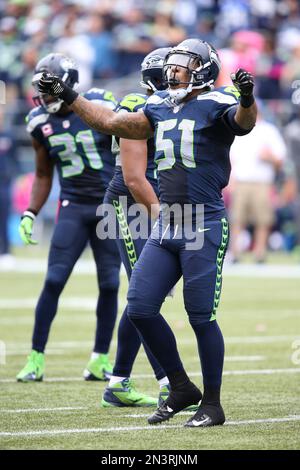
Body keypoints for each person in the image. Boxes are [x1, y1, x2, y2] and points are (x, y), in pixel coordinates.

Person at [36, 38, 257, 427]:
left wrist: (247, 97)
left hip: (201, 221)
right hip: (166, 223)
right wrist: (66, 93)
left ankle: (213, 404)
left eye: (183, 65)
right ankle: (181, 386)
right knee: (139, 306)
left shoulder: (219, 102)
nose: (173, 72)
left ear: (203, 69)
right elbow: (109, 122)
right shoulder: (156, 106)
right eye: (172, 65)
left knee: (200, 315)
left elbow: (244, 123)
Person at [16, 53, 121, 383]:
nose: (44, 95)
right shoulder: (37, 120)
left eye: (51, 88)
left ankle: (99, 359)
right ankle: (35, 358)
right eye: (41, 89)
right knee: (54, 280)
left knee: (110, 283)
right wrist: (31, 211)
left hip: (107, 207)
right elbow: (44, 173)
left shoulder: (99, 103)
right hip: (72, 206)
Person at [101, 48, 182, 408]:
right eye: (171, 74)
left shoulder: (171, 106)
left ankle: (118, 381)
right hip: (129, 204)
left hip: (151, 202)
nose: (177, 80)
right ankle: (167, 381)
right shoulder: (138, 103)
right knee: (143, 293)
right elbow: (134, 178)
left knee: (144, 296)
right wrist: (163, 215)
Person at [229, 108, 286, 262]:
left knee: (263, 220)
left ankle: (259, 253)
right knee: (237, 219)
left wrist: (269, 158)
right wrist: (231, 180)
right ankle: (235, 253)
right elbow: (231, 157)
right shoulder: (238, 129)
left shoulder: (269, 130)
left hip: (262, 182)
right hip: (241, 181)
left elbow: (280, 159)